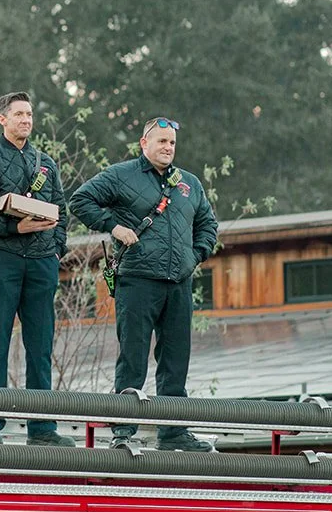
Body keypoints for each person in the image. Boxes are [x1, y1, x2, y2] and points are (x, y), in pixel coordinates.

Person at [69, 116, 219, 451]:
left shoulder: (189, 184)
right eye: (161, 141)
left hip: (178, 283)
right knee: (133, 357)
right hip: (137, 280)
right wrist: (113, 226)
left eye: (172, 143)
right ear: (144, 143)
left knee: (176, 359)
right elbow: (80, 200)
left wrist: (194, 256)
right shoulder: (122, 175)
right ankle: (123, 431)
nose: (168, 148)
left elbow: (208, 224)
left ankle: (174, 431)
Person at [0, 92, 73, 446]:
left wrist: (56, 251)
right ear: (2, 119)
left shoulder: (46, 163)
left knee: (41, 346)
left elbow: (61, 209)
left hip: (42, 262)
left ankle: (42, 429)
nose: (26, 120)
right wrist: (14, 228)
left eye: (29, 114)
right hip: (2, 258)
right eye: (19, 115)